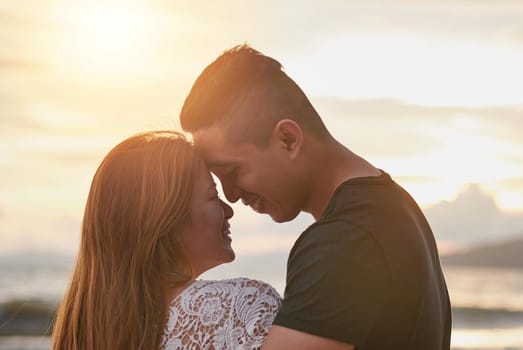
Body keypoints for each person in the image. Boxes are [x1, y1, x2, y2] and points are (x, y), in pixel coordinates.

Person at [179, 44, 452, 350]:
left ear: (288, 139)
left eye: (231, 172)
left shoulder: (344, 240)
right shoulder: (396, 207)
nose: (230, 195)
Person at [51, 131, 281, 350]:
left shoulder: (85, 332)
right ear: (165, 218)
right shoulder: (241, 306)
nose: (228, 210)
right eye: (213, 196)